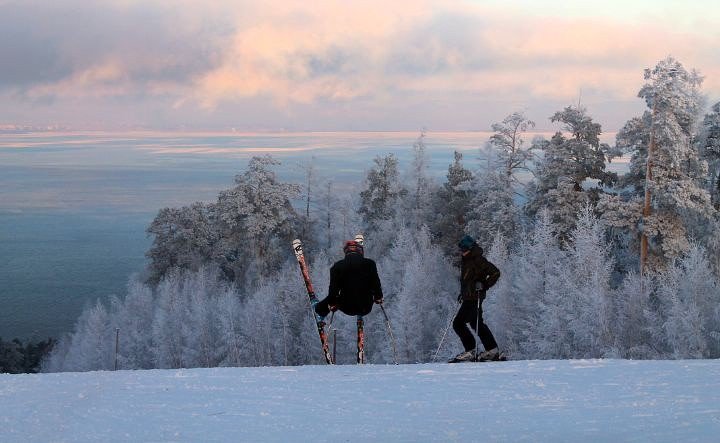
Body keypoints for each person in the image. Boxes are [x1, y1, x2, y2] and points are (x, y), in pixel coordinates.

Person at [450, 235, 501, 362]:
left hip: (475, 297)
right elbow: (469, 280)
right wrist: (463, 293)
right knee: (476, 323)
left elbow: (495, 272)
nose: (462, 251)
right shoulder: (467, 260)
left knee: (458, 323)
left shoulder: (478, 259)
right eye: (461, 249)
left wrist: (484, 285)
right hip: (469, 297)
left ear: (470, 248)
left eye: (464, 248)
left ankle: (471, 351)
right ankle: (492, 350)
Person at [314, 240, 384, 318]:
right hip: (366, 307)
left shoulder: (337, 266)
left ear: (346, 251)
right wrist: (378, 297)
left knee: (332, 298)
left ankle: (319, 313)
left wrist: (332, 304)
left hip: (347, 307)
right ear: (360, 251)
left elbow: (334, 289)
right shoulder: (370, 264)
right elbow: (376, 283)